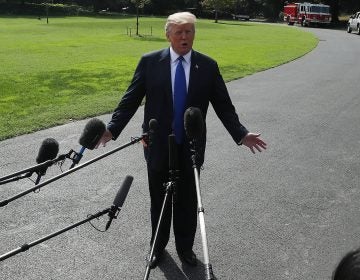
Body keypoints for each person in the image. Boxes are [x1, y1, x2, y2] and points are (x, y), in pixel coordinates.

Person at [96, 11, 266, 268]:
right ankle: (157, 247)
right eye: (179, 32)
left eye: (189, 31)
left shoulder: (208, 66)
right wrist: (112, 129)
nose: (185, 37)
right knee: (159, 200)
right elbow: (129, 100)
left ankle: (185, 248)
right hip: (156, 144)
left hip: (191, 146)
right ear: (168, 35)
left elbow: (223, 105)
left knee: (187, 201)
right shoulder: (150, 62)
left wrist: (241, 134)